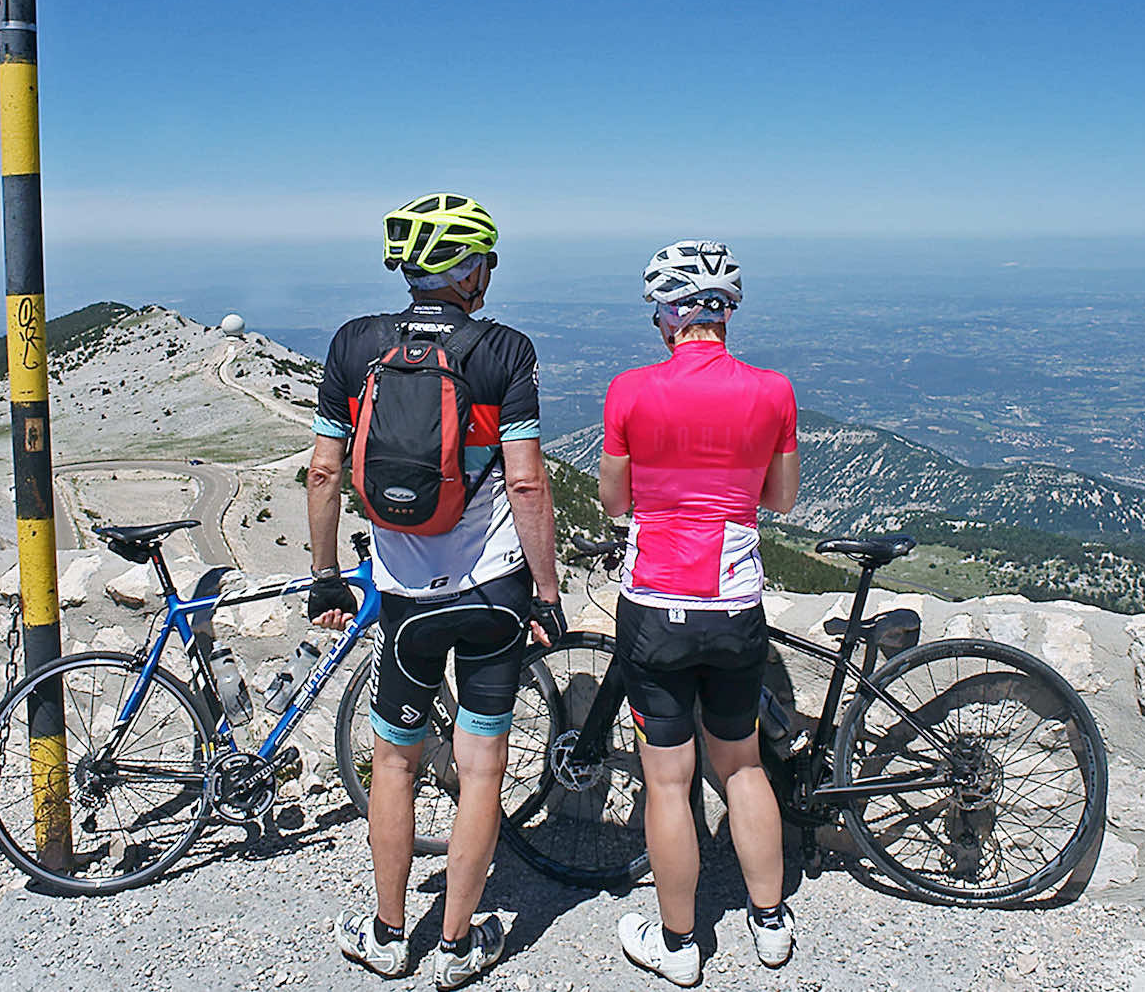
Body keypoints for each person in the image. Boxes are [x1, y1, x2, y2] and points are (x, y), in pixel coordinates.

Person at [305, 192, 566, 989]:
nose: (490, 274)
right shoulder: (505, 351)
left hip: (404, 598)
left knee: (394, 762)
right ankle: (457, 945)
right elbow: (527, 484)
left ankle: (389, 934)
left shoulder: (356, 345)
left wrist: (326, 575)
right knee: (481, 767)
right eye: (487, 260)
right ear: (467, 269)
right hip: (492, 592)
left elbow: (322, 471)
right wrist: (547, 590)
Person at [600, 239, 800, 986]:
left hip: (655, 604)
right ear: (725, 314)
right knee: (741, 763)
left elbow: (613, 501)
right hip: (734, 603)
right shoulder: (773, 390)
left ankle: (679, 944)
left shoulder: (629, 390)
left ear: (667, 315)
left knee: (667, 781)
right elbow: (781, 498)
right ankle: (770, 923)